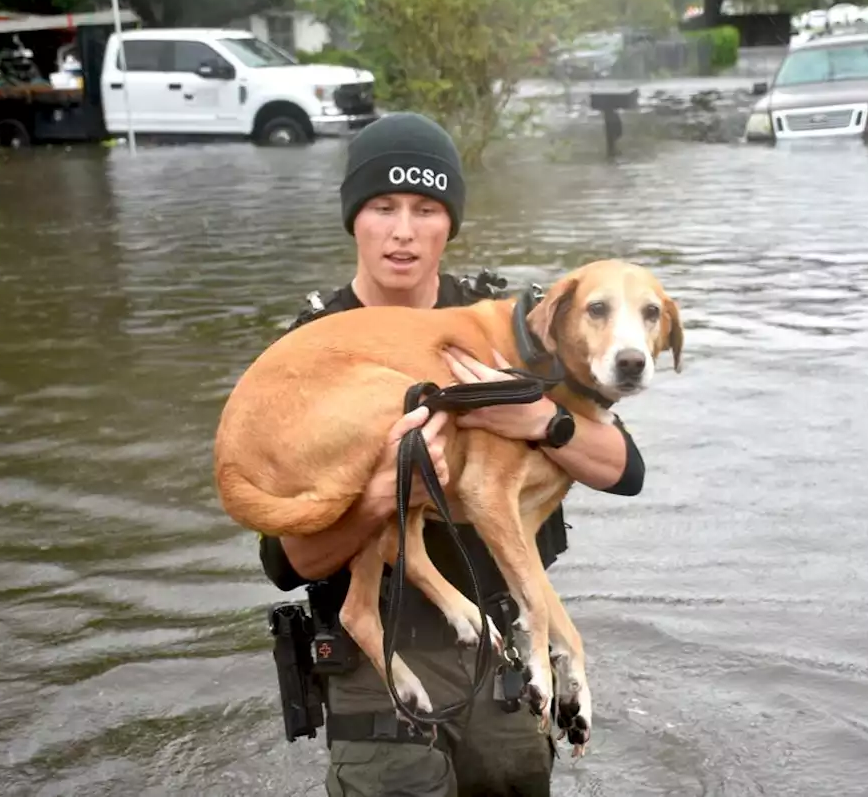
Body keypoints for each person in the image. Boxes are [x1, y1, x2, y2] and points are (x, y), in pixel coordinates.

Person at [258, 111, 646, 797]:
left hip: (499, 633)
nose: (403, 230)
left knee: (519, 776)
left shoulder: (497, 316)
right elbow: (287, 561)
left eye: (426, 208)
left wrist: (541, 418)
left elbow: (623, 468)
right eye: (383, 206)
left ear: (451, 224)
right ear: (355, 218)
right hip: (379, 652)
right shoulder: (316, 339)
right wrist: (383, 495)